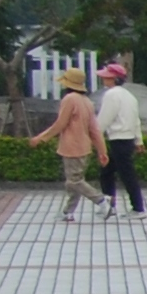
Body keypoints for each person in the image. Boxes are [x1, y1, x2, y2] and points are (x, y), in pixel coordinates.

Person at [28, 75, 108, 220]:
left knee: (74, 181)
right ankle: (68, 212)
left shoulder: (69, 99)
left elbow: (60, 124)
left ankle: (102, 201)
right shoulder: (87, 102)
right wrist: (102, 150)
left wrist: (41, 138)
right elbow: (94, 129)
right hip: (84, 146)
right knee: (75, 180)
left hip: (72, 146)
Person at [94, 63, 147, 213]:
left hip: (118, 139)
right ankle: (109, 205)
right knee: (108, 172)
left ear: (114, 78)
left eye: (107, 76)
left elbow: (104, 119)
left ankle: (137, 208)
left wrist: (94, 135)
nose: (104, 78)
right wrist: (139, 140)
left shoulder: (111, 95)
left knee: (126, 175)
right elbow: (136, 121)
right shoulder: (129, 96)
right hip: (127, 139)